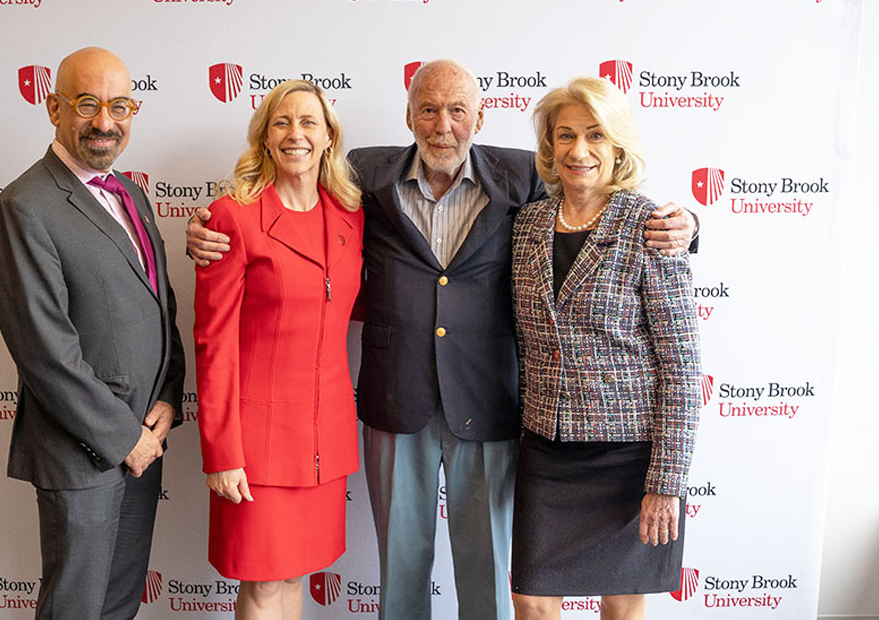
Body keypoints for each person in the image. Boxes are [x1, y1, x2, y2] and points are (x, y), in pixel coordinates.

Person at [187, 60, 697, 620]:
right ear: (408, 115)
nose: (442, 125)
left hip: (488, 401)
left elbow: (598, 196)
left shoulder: (525, 175)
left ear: (480, 115)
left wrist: (689, 225)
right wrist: (210, 228)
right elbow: (291, 201)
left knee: (489, 574)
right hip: (394, 398)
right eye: (428, 110)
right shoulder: (364, 174)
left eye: (457, 110)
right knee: (400, 570)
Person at [0, 47, 185, 620]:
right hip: (85, 454)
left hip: (144, 441)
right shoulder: (25, 206)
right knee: (75, 609)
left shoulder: (130, 193)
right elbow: (44, 352)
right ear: (53, 108)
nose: (105, 122)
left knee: (119, 605)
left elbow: (158, 307)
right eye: (88, 104)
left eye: (119, 106)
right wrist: (125, 438)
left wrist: (169, 393)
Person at [509, 76, 701, 620]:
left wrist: (666, 481)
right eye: (565, 136)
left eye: (595, 135)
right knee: (532, 599)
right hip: (547, 447)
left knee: (621, 602)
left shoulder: (652, 226)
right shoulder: (527, 225)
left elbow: (682, 366)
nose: (579, 150)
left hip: (629, 455)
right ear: (549, 147)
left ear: (617, 146)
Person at [193, 79, 364, 619]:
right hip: (256, 444)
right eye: (282, 123)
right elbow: (212, 342)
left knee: (296, 577)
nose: (296, 135)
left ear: (329, 137)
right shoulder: (231, 218)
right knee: (263, 587)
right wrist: (222, 452)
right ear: (265, 138)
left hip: (324, 438)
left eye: (309, 122)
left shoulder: (352, 216)